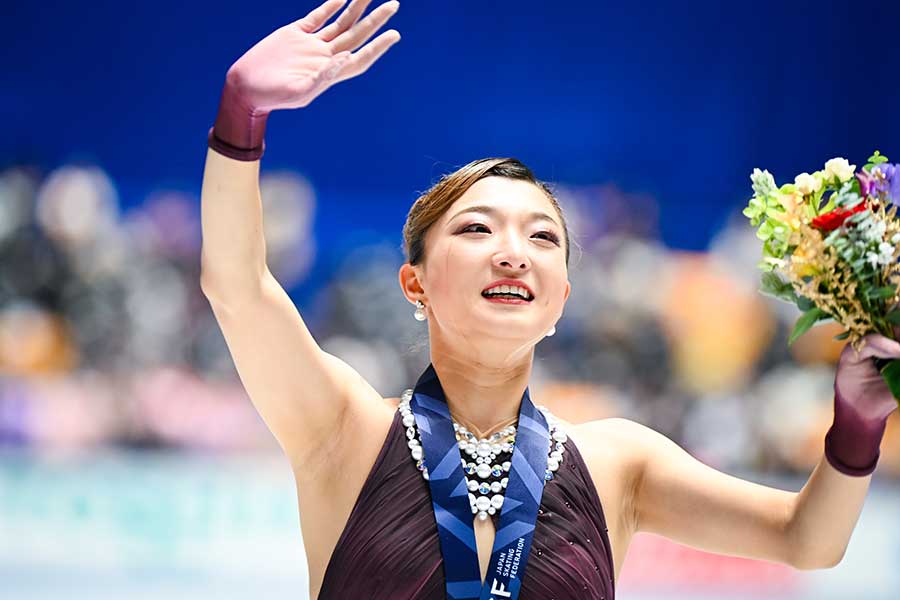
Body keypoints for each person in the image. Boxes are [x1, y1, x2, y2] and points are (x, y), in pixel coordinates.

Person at [199, 1, 900, 598]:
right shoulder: (341, 428)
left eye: (542, 237)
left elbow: (807, 540)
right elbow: (236, 284)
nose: (512, 251)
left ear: (560, 298)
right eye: (477, 229)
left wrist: (859, 421)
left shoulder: (620, 463)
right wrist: (241, 114)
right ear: (414, 282)